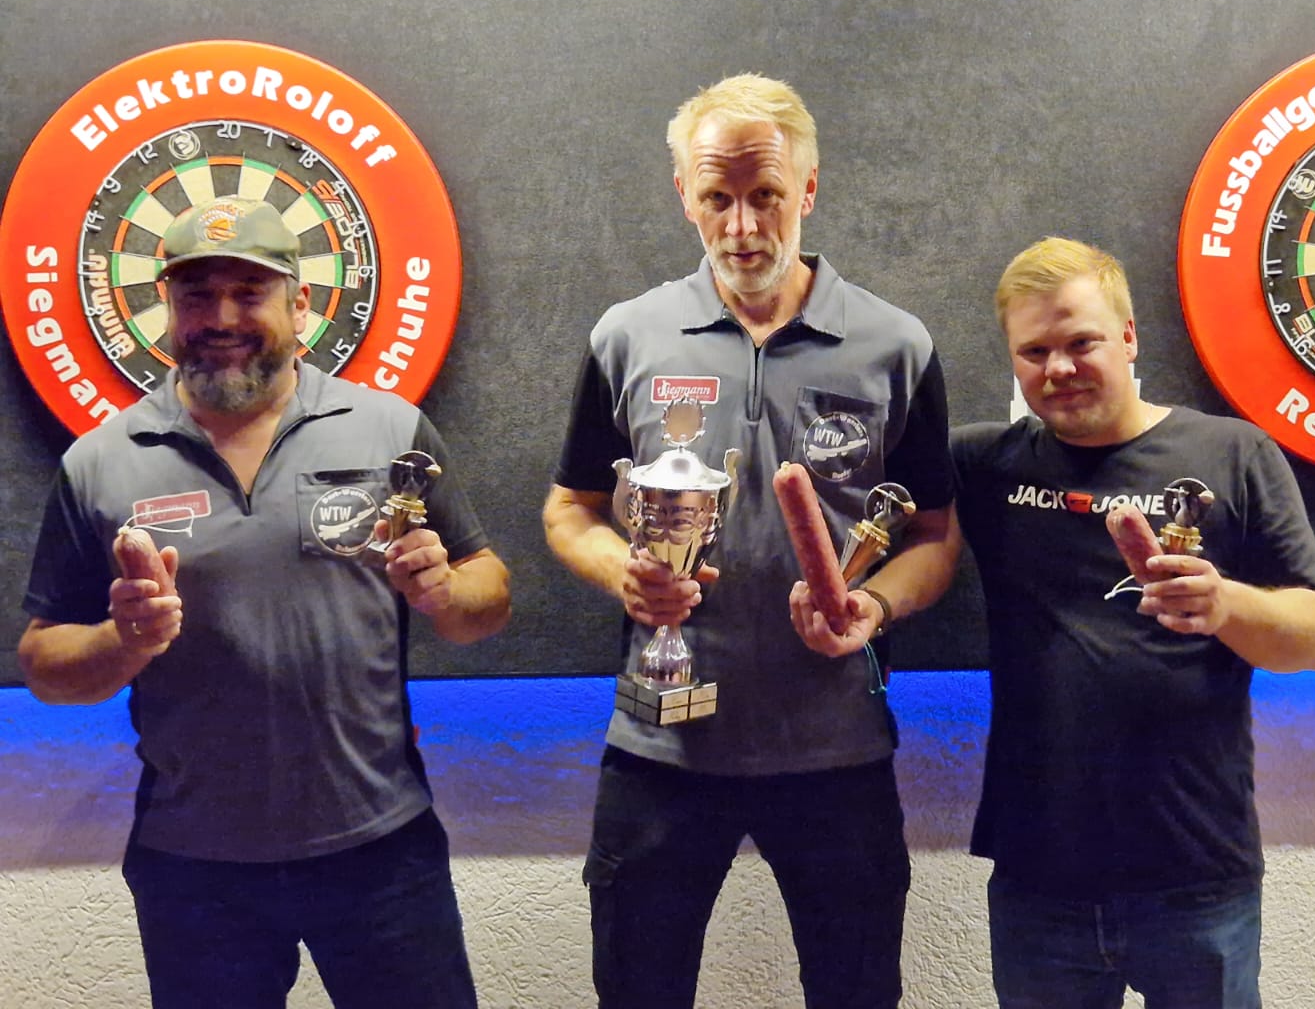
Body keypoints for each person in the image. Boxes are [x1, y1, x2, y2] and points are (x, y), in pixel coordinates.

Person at [17, 195, 511, 1009]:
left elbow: (488, 589)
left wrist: (448, 593)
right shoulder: (100, 463)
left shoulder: (389, 429)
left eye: (248, 292)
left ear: (301, 304)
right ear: (167, 308)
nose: (221, 318)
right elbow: (44, 662)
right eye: (196, 296)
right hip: (193, 871)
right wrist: (124, 641)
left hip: (383, 852)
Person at [543, 73, 959, 1009]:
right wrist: (626, 575)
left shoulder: (895, 344)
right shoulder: (627, 337)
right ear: (683, 196)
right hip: (661, 748)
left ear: (807, 189)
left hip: (837, 749)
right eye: (717, 197)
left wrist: (874, 603)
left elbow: (935, 537)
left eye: (765, 194)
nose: (741, 227)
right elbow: (569, 510)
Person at [950, 237, 1315, 1009]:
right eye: (1034, 352)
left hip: (1197, 876)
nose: (1059, 368)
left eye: (1081, 342)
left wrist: (1226, 605)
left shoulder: (1232, 454)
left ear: (1128, 337)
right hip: (1040, 881)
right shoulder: (983, 464)